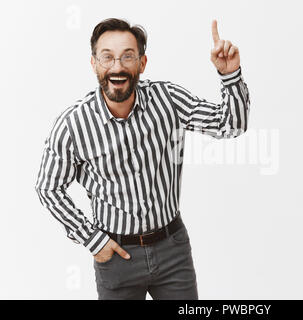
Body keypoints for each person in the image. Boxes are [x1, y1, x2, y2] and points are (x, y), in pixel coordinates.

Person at [34, 18, 250, 300]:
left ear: (142, 63)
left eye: (127, 56)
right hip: (117, 257)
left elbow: (230, 125)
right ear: (94, 64)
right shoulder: (73, 124)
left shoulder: (167, 99)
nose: (117, 66)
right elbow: (47, 187)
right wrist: (92, 239)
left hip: (173, 250)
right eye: (107, 57)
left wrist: (230, 75)